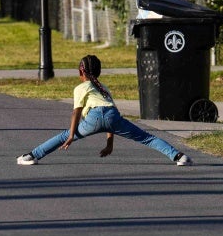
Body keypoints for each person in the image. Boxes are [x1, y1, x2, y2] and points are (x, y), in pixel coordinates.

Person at [17, 54, 193, 166]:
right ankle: (179, 157)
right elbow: (109, 116)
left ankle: (32, 156)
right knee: (147, 138)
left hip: (92, 119)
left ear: (81, 71)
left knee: (63, 136)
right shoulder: (103, 88)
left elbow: (76, 112)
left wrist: (71, 135)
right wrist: (110, 144)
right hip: (112, 116)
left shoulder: (81, 88)